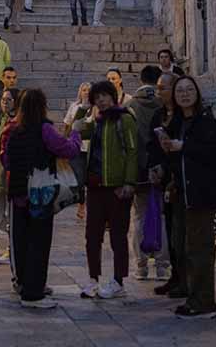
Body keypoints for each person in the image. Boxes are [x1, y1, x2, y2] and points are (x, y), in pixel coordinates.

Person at [2, 88, 82, 308]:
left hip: (18, 193)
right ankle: (34, 293)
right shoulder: (45, 130)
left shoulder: (14, 131)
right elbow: (68, 149)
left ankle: (25, 283)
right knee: (39, 242)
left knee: (21, 240)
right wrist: (75, 134)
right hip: (40, 194)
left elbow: (6, 161)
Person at [157, 75, 216, 319]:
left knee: (200, 248)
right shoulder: (178, 121)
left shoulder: (205, 121)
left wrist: (182, 147)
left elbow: (212, 151)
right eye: (180, 91)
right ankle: (192, 294)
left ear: (196, 93)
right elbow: (178, 159)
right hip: (182, 192)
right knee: (184, 245)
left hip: (200, 193)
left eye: (189, 90)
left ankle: (204, 302)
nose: (184, 94)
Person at [73, 81, 139, 300]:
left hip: (117, 187)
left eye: (104, 96)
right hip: (95, 186)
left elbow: (132, 151)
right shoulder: (97, 120)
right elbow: (77, 128)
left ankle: (119, 280)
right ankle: (93, 279)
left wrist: (129, 182)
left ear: (113, 96)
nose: (101, 100)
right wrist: (84, 107)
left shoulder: (125, 119)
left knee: (118, 236)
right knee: (92, 235)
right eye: (97, 97)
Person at [126, 66, 170, 281]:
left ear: (140, 79)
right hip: (162, 167)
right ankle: (163, 266)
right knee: (161, 216)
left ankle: (141, 266)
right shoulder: (164, 104)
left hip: (138, 169)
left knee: (139, 216)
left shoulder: (130, 105)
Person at [150, 72, 181, 295]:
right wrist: (155, 167)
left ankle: (185, 278)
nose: (158, 92)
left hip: (181, 180)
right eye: (157, 88)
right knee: (170, 228)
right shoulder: (157, 115)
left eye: (162, 88)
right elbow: (151, 145)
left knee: (181, 231)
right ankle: (175, 276)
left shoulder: (184, 116)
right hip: (164, 179)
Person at [0, 87, 21, 266]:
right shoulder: (2, 120)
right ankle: (13, 245)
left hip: (9, 175)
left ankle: (12, 250)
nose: (4, 102)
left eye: (8, 99)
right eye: (3, 99)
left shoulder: (16, 122)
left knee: (8, 212)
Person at [63, 82, 93, 221]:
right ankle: (81, 203)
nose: (86, 92)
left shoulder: (96, 107)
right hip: (77, 147)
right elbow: (67, 126)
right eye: (84, 90)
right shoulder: (74, 107)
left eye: (89, 90)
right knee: (79, 178)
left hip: (91, 147)